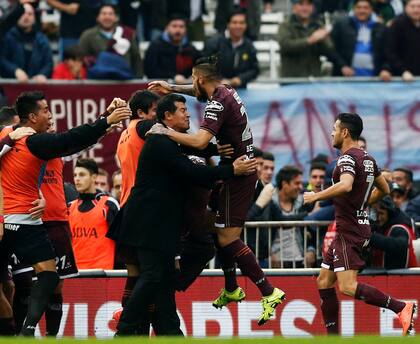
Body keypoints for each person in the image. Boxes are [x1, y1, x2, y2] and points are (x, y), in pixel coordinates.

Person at [148, 56, 285, 326]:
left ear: (199, 78)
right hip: (233, 167)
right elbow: (198, 90)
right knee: (213, 226)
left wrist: (165, 132)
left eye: (192, 79)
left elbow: (199, 141)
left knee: (226, 237)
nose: (191, 85)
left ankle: (269, 291)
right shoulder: (225, 91)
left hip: (239, 174)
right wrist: (171, 88)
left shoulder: (217, 103)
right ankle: (232, 287)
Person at [113, 94, 257, 335]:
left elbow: (192, 149)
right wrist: (232, 169)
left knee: (162, 278)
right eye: (182, 110)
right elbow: (190, 171)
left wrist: (214, 148)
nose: (188, 114)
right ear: (166, 116)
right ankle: (125, 329)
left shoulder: (167, 142)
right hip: (147, 221)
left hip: (158, 221)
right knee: (153, 275)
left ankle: (170, 333)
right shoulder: (157, 138)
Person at [0, 91, 130, 336]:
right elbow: (71, 139)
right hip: (27, 221)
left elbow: (74, 142)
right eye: (46, 110)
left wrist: (105, 119)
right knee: (38, 280)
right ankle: (25, 331)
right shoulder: (34, 142)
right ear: (31, 116)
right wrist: (106, 121)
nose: (51, 115)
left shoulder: (11, 137)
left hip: (13, 221)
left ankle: (22, 335)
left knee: (19, 284)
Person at [303, 112, 415, 336]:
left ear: (345, 132)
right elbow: (384, 189)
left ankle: (401, 307)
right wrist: (362, 205)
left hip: (350, 232)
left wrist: (316, 196)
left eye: (334, 129)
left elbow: (345, 185)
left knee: (346, 286)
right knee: (324, 281)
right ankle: (333, 339)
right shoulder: (368, 159)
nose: (332, 133)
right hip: (352, 227)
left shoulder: (346, 159)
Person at [69, 159, 119, 270]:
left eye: (82, 175)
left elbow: (121, 243)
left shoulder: (108, 205)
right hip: (77, 274)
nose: (77, 179)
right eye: (75, 175)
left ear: (94, 177)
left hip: (105, 274)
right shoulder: (69, 208)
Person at [331, 0, 391, 80]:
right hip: (346, 80)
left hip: (375, 80)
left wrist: (385, 69)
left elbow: (389, 52)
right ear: (353, 9)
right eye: (359, 7)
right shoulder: (341, 26)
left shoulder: (381, 29)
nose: (362, 11)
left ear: (371, 10)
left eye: (365, 8)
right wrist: (342, 66)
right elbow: (332, 50)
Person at [79, 4, 142, 79]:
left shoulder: (127, 33)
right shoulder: (88, 35)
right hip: (97, 80)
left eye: (110, 14)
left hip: (124, 80)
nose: (107, 17)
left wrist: (138, 79)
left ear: (116, 18)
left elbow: (136, 58)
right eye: (104, 14)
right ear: (98, 17)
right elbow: (81, 58)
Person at [278, 0, 338, 77]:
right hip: (292, 80)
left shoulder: (318, 25)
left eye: (308, 4)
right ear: (294, 6)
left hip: (314, 78)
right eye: (301, 4)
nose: (305, 8)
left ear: (312, 7)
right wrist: (310, 40)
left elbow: (329, 50)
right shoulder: (285, 25)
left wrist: (324, 38)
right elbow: (285, 45)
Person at [203, 8, 259, 88]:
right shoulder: (213, 43)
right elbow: (204, 68)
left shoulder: (249, 45)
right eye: (234, 22)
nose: (238, 26)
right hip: (215, 91)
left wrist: (240, 79)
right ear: (228, 24)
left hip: (241, 92)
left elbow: (254, 70)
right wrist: (219, 80)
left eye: (241, 23)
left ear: (246, 25)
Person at [0, 3, 53, 83]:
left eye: (30, 14)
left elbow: (48, 62)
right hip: (10, 86)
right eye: (23, 13)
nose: (26, 16)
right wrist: (15, 70)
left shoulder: (42, 39)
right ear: (16, 16)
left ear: (34, 18)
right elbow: (1, 59)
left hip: (36, 88)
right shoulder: (6, 36)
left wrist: (43, 74)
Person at [143, 14, 201, 83]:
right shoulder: (155, 47)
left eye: (181, 26)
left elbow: (200, 66)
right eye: (174, 26)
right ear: (167, 28)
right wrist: (173, 77)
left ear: (186, 29)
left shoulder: (191, 49)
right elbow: (150, 71)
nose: (178, 30)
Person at [370, 196, 418, 269]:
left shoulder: (399, 228)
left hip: (405, 277)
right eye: (376, 213)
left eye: (381, 213)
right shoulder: (382, 226)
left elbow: (400, 245)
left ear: (390, 213)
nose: (378, 218)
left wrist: (369, 237)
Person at [387, 0, 420, 81]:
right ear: (406, 8)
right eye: (412, 7)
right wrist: (403, 71)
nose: (416, 10)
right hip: (401, 79)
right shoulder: (397, 25)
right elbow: (390, 52)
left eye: (419, 7)